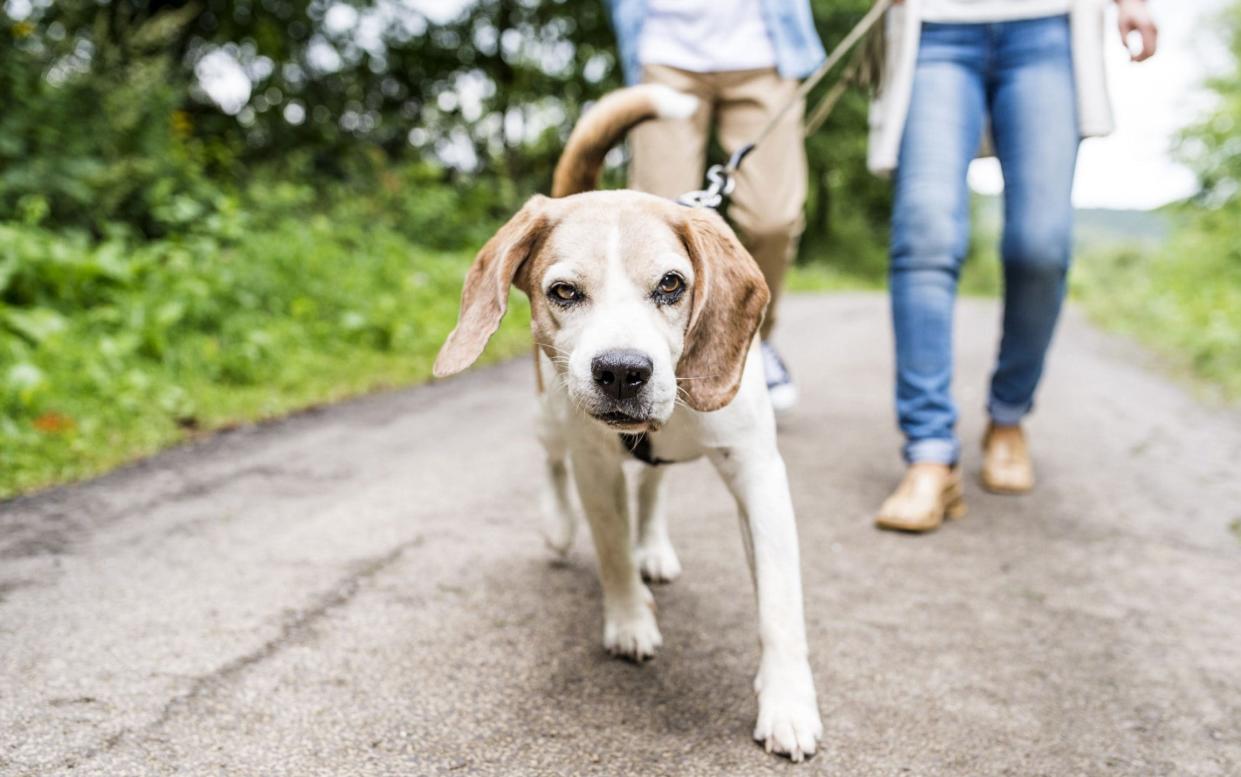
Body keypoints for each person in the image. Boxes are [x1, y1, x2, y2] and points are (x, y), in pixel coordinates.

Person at [868, 0, 1158, 532]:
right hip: (935, 28)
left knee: (1040, 245)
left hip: (1047, 25)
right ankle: (929, 453)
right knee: (925, 234)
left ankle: (1008, 415)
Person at [607, 0, 826, 413]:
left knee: (773, 221)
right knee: (655, 226)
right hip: (663, 50)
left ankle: (755, 341)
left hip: (764, 50)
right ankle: (655, 354)